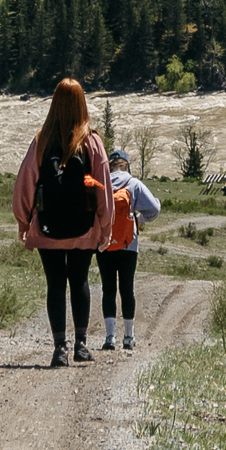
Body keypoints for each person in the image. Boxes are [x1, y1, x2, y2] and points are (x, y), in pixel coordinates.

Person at [10, 77, 111, 367]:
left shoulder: (41, 141)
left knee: (55, 284)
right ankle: (81, 345)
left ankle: (59, 348)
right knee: (79, 280)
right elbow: (103, 187)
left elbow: (25, 184)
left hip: (47, 228)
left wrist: (24, 222)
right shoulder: (92, 142)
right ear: (82, 104)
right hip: (84, 228)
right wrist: (105, 227)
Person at [95, 146, 161, 351]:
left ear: (109, 166)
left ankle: (110, 337)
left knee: (108, 289)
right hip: (129, 244)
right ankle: (129, 337)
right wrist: (139, 219)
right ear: (127, 166)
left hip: (104, 243)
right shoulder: (133, 184)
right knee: (127, 288)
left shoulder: (101, 184)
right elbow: (155, 208)